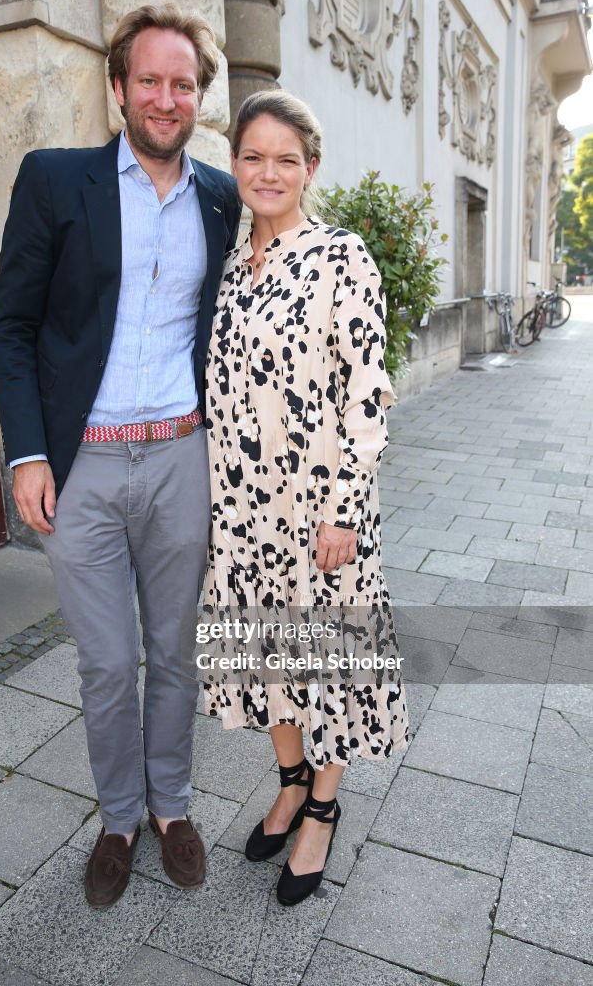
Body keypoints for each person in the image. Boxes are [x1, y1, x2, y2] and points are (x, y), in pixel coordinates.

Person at [0, 4, 241, 908]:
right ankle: (119, 817)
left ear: (197, 96)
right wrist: (26, 455)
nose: (164, 97)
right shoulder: (56, 182)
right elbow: (11, 326)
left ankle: (171, 807)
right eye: (149, 80)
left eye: (182, 83)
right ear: (120, 87)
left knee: (174, 653)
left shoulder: (220, 195)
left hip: (181, 458)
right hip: (83, 467)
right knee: (105, 662)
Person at [201, 90, 408, 906]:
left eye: (286, 158)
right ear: (235, 165)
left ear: (309, 169)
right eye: (253, 156)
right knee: (265, 653)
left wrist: (343, 511)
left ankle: (322, 808)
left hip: (317, 507)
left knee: (326, 659)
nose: (268, 172)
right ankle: (287, 782)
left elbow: (366, 391)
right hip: (240, 506)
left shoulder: (339, 255)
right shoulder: (224, 262)